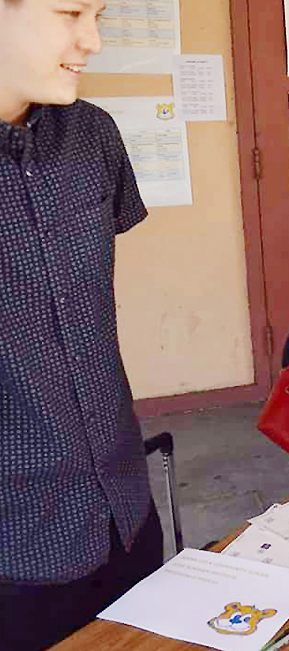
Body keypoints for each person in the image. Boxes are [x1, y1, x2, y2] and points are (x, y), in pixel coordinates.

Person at [0, 1, 164, 649]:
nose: (92, 40)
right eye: (71, 10)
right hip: (16, 544)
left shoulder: (92, 135)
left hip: (125, 505)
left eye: (98, 12)